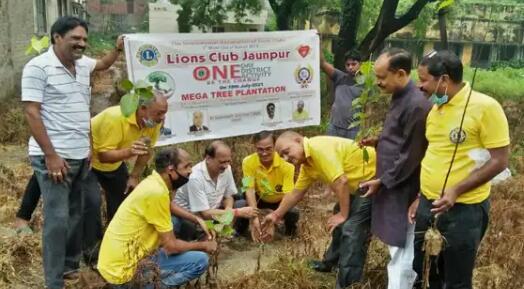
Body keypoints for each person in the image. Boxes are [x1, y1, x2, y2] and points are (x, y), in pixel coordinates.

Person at [21, 16, 123, 289]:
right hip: (54, 158)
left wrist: (118, 49)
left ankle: (69, 268)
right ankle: (53, 281)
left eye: (85, 39)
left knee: (78, 213)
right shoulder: (38, 67)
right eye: (75, 38)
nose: (81, 44)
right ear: (56, 37)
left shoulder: (82, 65)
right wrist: (51, 155)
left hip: (80, 156)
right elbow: (31, 112)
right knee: (57, 219)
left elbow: (102, 65)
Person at [412, 50, 510, 289]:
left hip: (465, 210)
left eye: (424, 80)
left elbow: (499, 161)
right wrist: (419, 196)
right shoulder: (435, 108)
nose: (419, 86)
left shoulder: (485, 107)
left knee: (456, 278)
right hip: (428, 204)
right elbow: (435, 153)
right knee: (425, 271)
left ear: (444, 80)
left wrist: (456, 189)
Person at [261, 131, 376, 289]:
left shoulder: (318, 148)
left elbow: (340, 181)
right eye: (282, 156)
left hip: (374, 181)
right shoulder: (308, 165)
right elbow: (296, 193)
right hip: (357, 186)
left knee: (352, 229)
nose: (287, 159)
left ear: (298, 140)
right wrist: (275, 215)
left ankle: (348, 284)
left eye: (287, 152)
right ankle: (330, 264)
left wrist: (343, 214)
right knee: (340, 222)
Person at [359, 48, 432, 289]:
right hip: (392, 184)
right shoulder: (400, 96)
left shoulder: (417, 106)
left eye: (381, 77)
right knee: (396, 248)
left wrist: (383, 181)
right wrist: (380, 141)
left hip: (404, 188)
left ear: (400, 73)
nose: (378, 83)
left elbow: (412, 154)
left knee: (403, 249)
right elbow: (400, 137)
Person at [97, 147, 217, 289]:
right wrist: (204, 246)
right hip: (123, 273)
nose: (190, 170)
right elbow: (171, 247)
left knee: (174, 222)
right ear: (171, 169)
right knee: (200, 261)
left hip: (112, 264)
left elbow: (168, 204)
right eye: (186, 166)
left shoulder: (154, 181)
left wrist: (197, 220)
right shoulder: (157, 192)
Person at [90, 95, 167, 222]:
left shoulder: (154, 122)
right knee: (92, 202)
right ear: (143, 108)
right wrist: (129, 152)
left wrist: (134, 176)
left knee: (125, 199)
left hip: (114, 164)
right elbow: (103, 156)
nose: (162, 118)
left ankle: (115, 236)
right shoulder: (115, 117)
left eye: (164, 114)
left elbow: (146, 150)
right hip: (89, 162)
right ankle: (93, 240)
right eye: (159, 113)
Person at [174, 141, 257, 233]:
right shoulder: (195, 178)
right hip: (194, 218)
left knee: (242, 203)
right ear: (208, 158)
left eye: (228, 161)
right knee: (193, 227)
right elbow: (205, 214)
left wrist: (228, 211)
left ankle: (227, 231)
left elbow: (228, 196)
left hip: (215, 211)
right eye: (222, 162)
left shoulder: (227, 168)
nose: (226, 165)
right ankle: (209, 233)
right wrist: (235, 213)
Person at [236, 131, 299, 241]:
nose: (264, 153)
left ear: (275, 147)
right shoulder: (247, 162)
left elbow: (288, 194)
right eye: (260, 149)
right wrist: (254, 217)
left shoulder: (287, 165)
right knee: (240, 204)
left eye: (268, 149)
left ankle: (290, 233)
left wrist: (275, 216)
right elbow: (249, 189)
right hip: (259, 197)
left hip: (279, 200)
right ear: (254, 147)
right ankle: (240, 232)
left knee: (293, 211)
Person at [320, 49, 363, 139]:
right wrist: (317, 41)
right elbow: (322, 63)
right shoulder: (339, 77)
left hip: (353, 130)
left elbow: (369, 110)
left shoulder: (366, 84)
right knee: (331, 152)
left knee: (350, 153)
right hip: (334, 127)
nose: (350, 67)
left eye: (354, 64)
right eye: (348, 65)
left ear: (360, 64)